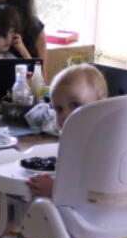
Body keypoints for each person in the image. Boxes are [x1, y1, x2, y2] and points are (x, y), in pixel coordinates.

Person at [26, 64, 108, 198]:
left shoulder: (101, 147)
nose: (65, 114)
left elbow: (96, 191)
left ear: (101, 106)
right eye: (59, 109)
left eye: (75, 105)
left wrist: (54, 189)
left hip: (84, 217)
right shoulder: (75, 142)